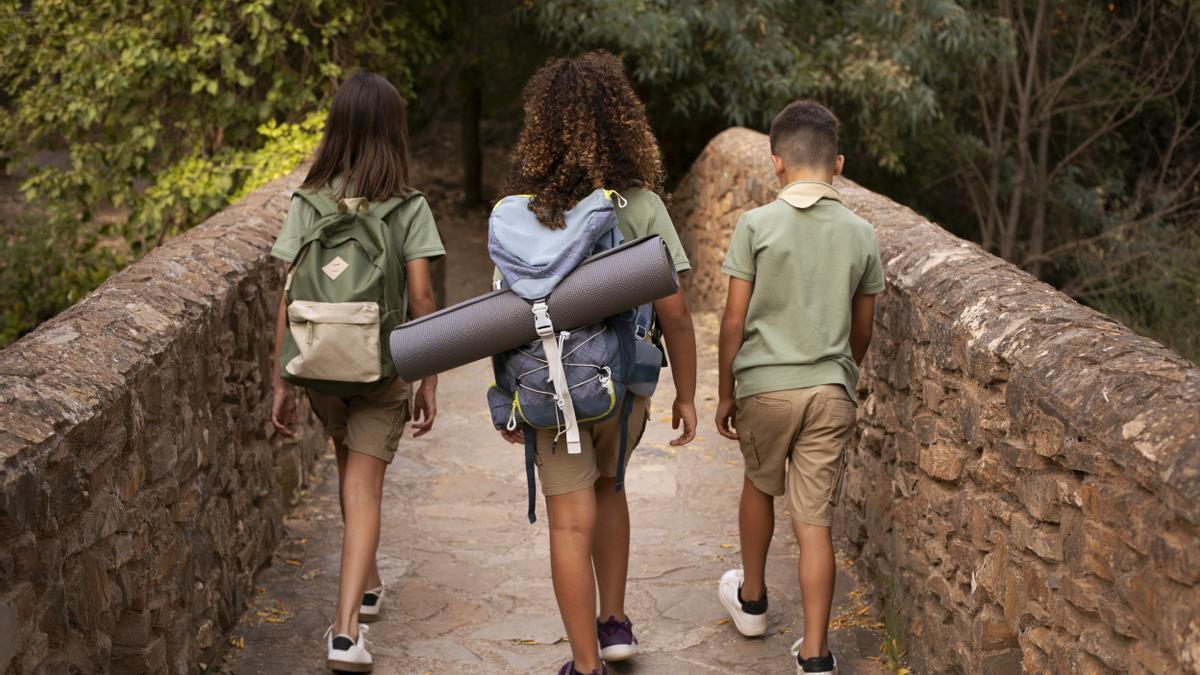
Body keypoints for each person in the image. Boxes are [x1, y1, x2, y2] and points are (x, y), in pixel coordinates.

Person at [496, 52, 698, 675]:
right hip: (625, 385)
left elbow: (504, 316)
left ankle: (586, 667)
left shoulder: (524, 212)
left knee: (568, 525)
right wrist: (686, 395)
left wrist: (506, 398)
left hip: (553, 392)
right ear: (622, 122)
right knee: (611, 491)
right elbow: (675, 313)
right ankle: (614, 625)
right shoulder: (641, 205)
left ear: (541, 128)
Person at [269, 72, 444, 673]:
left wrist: (281, 380)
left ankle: (367, 584)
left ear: (337, 128)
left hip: (320, 368)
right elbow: (422, 298)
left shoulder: (307, 201)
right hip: (382, 369)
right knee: (364, 487)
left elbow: (287, 294)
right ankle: (345, 631)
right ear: (394, 131)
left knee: (349, 471)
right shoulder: (409, 207)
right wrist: (429, 377)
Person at [714, 100, 883, 675]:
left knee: (759, 484)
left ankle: (752, 602)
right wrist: (841, 373)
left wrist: (727, 391)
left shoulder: (756, 225)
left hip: (764, 388)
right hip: (830, 390)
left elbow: (733, 321)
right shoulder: (862, 234)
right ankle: (816, 655)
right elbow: (863, 329)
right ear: (838, 164)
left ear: (777, 162)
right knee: (815, 523)